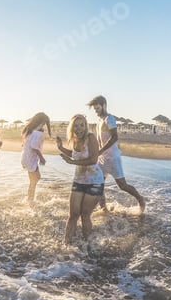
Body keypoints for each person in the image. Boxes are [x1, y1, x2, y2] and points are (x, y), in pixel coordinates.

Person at [87, 95, 145, 215]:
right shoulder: (99, 122)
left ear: (103, 105)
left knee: (122, 185)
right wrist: (95, 152)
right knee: (98, 183)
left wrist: (101, 150)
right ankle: (104, 208)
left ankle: (140, 199)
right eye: (95, 109)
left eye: (97, 108)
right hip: (102, 158)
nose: (96, 111)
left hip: (113, 158)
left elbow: (115, 137)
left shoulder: (110, 119)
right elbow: (99, 141)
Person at [56, 114, 105, 245]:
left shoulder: (90, 138)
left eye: (82, 125)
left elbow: (93, 159)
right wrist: (61, 148)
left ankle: (87, 244)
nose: (79, 128)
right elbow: (75, 155)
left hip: (94, 182)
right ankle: (65, 245)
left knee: (84, 214)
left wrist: (72, 163)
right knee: (73, 215)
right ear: (72, 128)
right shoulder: (74, 139)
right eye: (76, 126)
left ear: (86, 125)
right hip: (79, 180)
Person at [21, 112, 52, 204]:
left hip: (25, 158)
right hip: (31, 159)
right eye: (44, 123)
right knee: (35, 179)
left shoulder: (29, 131)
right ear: (41, 122)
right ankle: (30, 200)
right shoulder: (37, 133)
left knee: (33, 180)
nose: (44, 126)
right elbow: (34, 147)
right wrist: (42, 158)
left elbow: (26, 144)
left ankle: (30, 199)